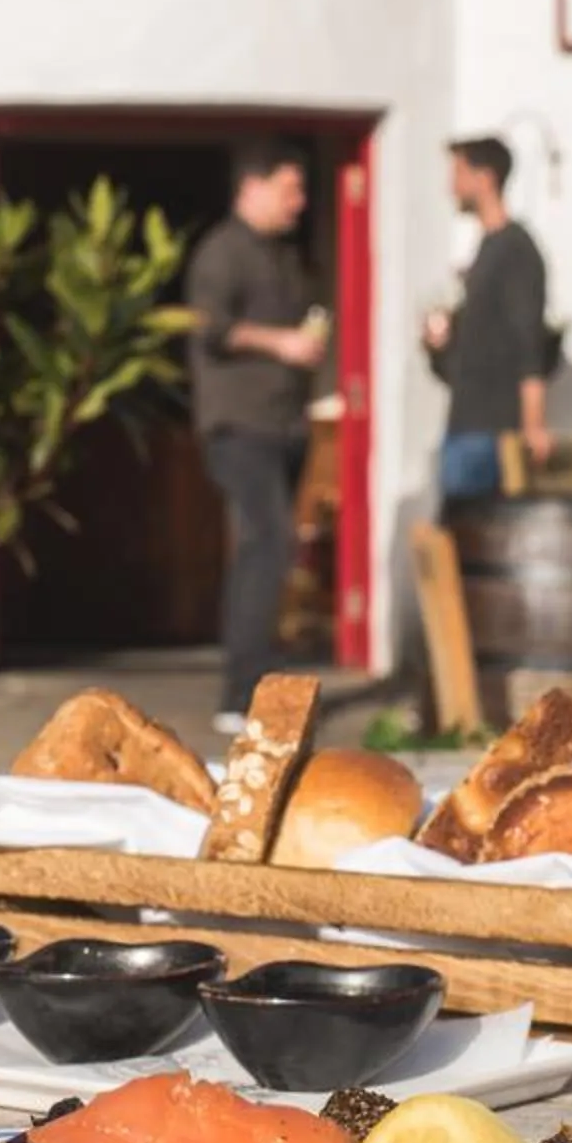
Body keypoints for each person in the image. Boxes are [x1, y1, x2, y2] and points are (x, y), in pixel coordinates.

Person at [186, 140, 325, 734]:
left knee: (273, 548)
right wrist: (281, 343)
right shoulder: (222, 252)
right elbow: (209, 327)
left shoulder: (284, 254)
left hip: (285, 423)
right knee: (265, 542)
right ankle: (239, 694)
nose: (300, 202)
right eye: (290, 189)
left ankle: (259, 681)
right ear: (253, 187)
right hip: (239, 426)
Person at [424, 135, 556, 505]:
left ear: (485, 178)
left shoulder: (516, 250)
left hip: (493, 432)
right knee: (457, 528)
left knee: (477, 531)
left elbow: (529, 339)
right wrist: (440, 343)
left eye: (458, 173)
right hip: (467, 421)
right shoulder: (486, 249)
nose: (451, 187)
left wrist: (533, 424)